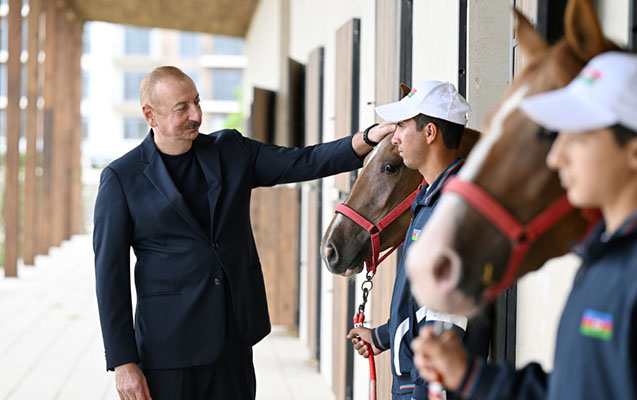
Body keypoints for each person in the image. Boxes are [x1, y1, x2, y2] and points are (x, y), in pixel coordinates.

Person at [93, 66, 396, 400]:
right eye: (182, 108)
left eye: (197, 101)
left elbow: (302, 161)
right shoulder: (121, 178)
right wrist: (123, 362)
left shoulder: (230, 150)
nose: (196, 114)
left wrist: (366, 139)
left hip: (232, 342)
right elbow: (111, 277)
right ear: (150, 115)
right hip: (167, 352)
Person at [411, 51, 637, 400]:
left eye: (578, 137)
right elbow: (572, 390)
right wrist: (470, 376)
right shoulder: (601, 257)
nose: (555, 156)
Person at [346, 80, 492, 399]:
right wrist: (382, 336)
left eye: (402, 126)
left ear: (430, 133)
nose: (395, 137)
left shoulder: (454, 212)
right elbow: (422, 306)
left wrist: (424, 394)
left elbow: (447, 324)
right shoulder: (429, 199)